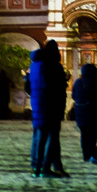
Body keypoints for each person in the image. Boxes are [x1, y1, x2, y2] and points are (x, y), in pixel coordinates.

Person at [28, 40, 68, 178]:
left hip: (38, 106)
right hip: (51, 106)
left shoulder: (34, 66)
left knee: (38, 137)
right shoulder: (53, 66)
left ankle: (36, 167)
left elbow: (28, 87)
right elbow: (57, 88)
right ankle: (45, 168)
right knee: (51, 138)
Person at [71, 63, 97, 162]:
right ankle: (92, 153)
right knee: (93, 134)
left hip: (80, 112)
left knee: (84, 134)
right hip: (93, 111)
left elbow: (73, 96)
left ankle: (85, 154)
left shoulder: (78, 82)